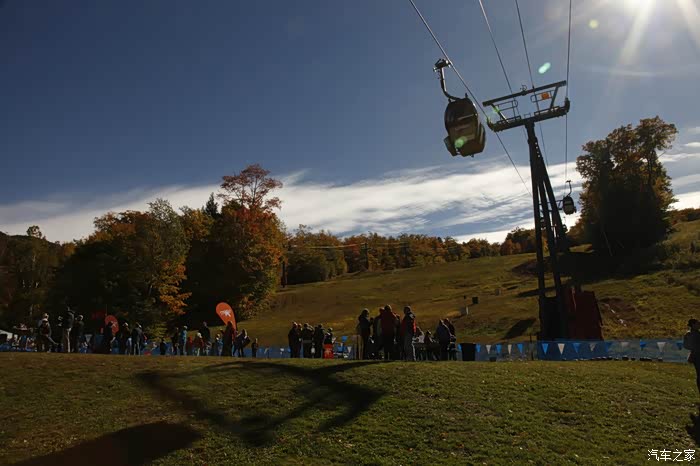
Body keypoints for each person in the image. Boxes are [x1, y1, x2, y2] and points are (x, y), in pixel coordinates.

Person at [684, 318, 700, 394]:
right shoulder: (690, 334)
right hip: (697, 357)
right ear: (693, 325)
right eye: (697, 323)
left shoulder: (691, 334)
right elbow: (686, 345)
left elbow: (686, 346)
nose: (699, 325)